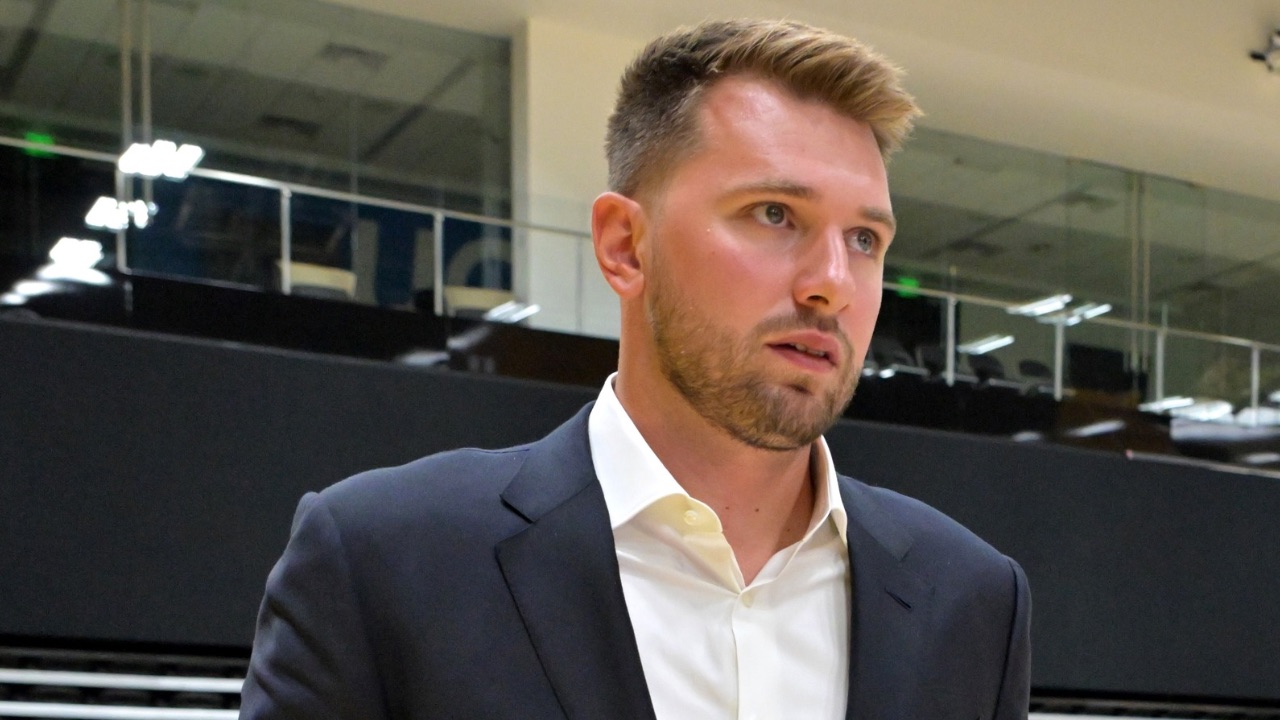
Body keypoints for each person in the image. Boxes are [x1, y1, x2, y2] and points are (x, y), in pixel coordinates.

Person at [240, 18, 1031, 720]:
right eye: (774, 214)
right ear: (626, 246)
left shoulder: (973, 601)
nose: (831, 280)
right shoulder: (383, 560)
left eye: (865, 239)